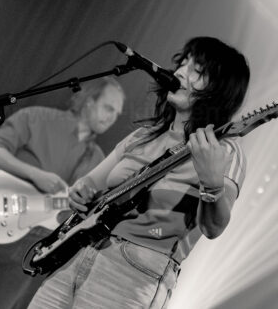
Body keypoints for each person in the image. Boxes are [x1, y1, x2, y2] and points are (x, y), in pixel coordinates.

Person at [27, 36, 250, 309]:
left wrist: (212, 182)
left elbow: (214, 227)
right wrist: (80, 191)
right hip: (79, 252)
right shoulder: (142, 137)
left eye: (197, 71)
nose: (180, 72)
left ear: (219, 90)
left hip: (133, 274)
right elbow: (89, 184)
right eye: (183, 63)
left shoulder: (224, 150)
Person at [0, 76, 125, 309]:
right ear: (89, 101)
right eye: (108, 108)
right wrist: (35, 174)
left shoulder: (97, 159)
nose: (111, 118)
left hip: (32, 248)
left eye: (117, 114)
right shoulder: (37, 117)